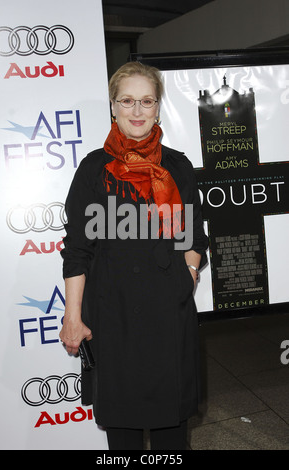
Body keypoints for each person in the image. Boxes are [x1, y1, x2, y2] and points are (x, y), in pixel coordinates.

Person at [59, 61, 208, 450]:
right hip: (113, 323)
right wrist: (72, 318)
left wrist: (188, 275)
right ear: (113, 106)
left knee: (172, 440)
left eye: (147, 101)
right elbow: (77, 250)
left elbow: (194, 236)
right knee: (122, 441)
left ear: (158, 107)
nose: (138, 111)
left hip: (168, 322)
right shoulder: (94, 169)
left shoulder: (178, 167)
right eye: (128, 100)